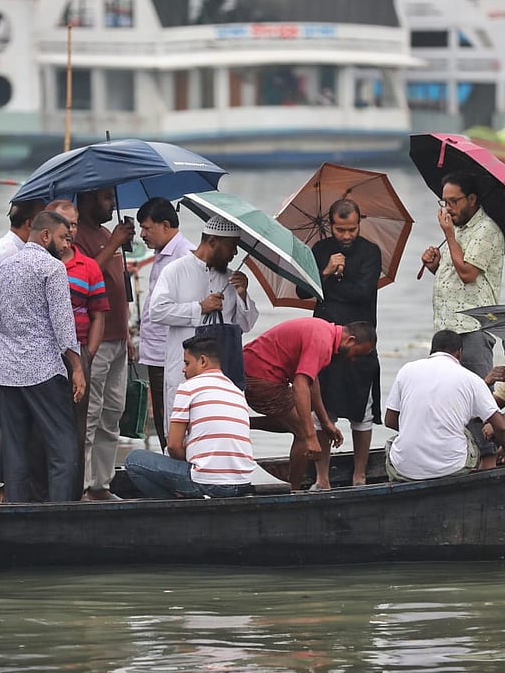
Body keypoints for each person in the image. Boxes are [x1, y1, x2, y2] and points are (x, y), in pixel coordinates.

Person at [0, 210, 86, 503]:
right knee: (62, 446)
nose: (66, 244)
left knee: (15, 448)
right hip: (43, 369)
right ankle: (59, 513)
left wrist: (4, 356)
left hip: (7, 371)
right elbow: (63, 323)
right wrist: (77, 367)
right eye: (62, 238)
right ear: (45, 236)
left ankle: (18, 511)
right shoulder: (52, 268)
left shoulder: (5, 266)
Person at [242, 317, 377, 491]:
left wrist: (326, 422)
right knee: (303, 432)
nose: (352, 360)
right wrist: (311, 436)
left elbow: (312, 382)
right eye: (356, 354)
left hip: (251, 372)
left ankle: (243, 422)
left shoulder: (325, 332)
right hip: (261, 379)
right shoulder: (322, 341)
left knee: (299, 420)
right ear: (350, 340)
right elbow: (300, 385)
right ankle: (295, 492)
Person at [147, 215, 258, 419]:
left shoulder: (232, 279)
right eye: (231, 247)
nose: (234, 253)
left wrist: (242, 294)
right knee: (179, 436)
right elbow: (156, 311)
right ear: (213, 242)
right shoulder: (175, 271)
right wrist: (199, 308)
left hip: (221, 376)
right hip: (182, 372)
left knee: (217, 429)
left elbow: (246, 325)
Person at [309, 198, 383, 490]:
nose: (347, 235)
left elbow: (362, 293)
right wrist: (326, 271)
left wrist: (331, 285)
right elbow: (304, 288)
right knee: (323, 411)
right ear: (331, 226)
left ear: (359, 223)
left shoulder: (370, 252)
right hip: (325, 339)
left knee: (362, 412)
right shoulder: (319, 251)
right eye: (341, 230)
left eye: (352, 229)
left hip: (360, 341)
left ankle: (360, 475)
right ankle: (322, 478)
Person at [125, 335, 255, 499]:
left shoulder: (189, 387)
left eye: (186, 363)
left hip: (208, 484)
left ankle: (174, 506)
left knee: (134, 460)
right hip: (242, 482)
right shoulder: (236, 391)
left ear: (202, 361)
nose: (183, 369)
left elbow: (173, 445)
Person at [0, 198, 44, 483]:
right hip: (2, 350)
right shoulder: (8, 253)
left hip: (1, 348)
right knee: (4, 420)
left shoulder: (13, 248)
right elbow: (7, 308)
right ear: (29, 223)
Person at [384, 330, 505, 482]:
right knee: (466, 433)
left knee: (396, 441)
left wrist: (421, 429)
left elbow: (390, 420)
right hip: (453, 468)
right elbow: (501, 426)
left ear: (431, 350)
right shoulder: (471, 379)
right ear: (460, 353)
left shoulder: (406, 370)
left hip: (404, 470)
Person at [73, 187, 136, 501]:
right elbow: (84, 278)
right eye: (105, 198)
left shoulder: (106, 234)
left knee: (112, 413)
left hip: (118, 338)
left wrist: (128, 335)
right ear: (87, 199)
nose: (111, 203)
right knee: (89, 415)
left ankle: (102, 484)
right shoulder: (76, 236)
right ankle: (81, 485)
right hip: (93, 342)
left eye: (112, 198)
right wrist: (114, 243)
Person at [48, 198, 108, 497]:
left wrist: (88, 355)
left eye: (73, 224)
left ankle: (74, 493)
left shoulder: (88, 267)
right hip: (43, 357)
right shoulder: (39, 263)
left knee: (78, 428)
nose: (69, 230)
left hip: (79, 355)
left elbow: (98, 314)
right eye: (63, 224)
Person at [419, 170, 505, 378]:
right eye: (444, 202)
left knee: (477, 392)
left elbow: (467, 274)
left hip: (471, 328)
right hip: (446, 328)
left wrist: (448, 235)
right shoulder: (458, 228)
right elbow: (456, 278)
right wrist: (436, 267)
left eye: (454, 201)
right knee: (444, 394)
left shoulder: (486, 230)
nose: (448, 208)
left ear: (472, 199)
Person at [136, 196, 196, 450]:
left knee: (176, 415)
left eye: (147, 228)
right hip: (154, 350)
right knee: (161, 415)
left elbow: (191, 309)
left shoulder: (185, 256)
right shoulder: (161, 254)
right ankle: (167, 464)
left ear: (165, 225)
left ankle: (180, 471)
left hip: (171, 352)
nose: (142, 234)